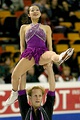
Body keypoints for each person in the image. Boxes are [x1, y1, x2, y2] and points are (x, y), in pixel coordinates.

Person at [4, 5, 74, 106]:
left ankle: (60, 57)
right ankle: (14, 93)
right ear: (29, 14)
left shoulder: (47, 28)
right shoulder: (24, 27)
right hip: (29, 54)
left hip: (42, 52)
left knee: (51, 54)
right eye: (32, 10)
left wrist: (49, 62)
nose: (35, 11)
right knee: (15, 75)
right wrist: (22, 58)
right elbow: (22, 45)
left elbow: (49, 45)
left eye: (37, 10)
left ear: (40, 13)